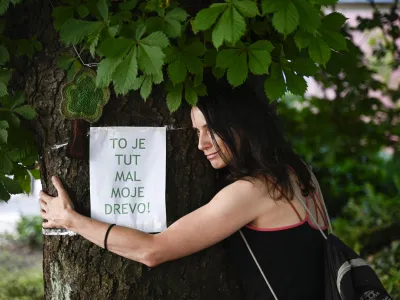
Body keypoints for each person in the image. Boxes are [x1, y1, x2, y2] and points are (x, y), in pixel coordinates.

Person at [40, 77, 329, 299]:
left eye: (210, 130)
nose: (201, 144)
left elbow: (153, 250)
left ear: (242, 126)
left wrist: (71, 220)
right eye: (196, 132)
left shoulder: (253, 191)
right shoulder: (295, 171)